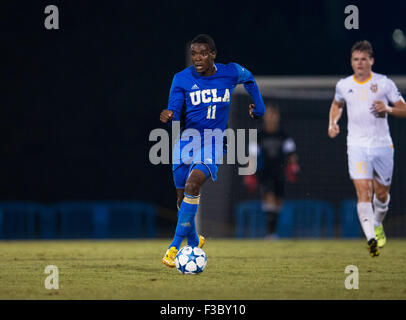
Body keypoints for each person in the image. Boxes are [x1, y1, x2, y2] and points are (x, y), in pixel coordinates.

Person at [159, 34, 265, 267]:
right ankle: (195, 240)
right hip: (186, 142)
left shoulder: (231, 72)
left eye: (203, 53)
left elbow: (250, 81)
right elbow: (175, 107)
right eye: (194, 54)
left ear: (213, 55)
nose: (197, 58)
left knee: (193, 183)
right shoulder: (181, 78)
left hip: (214, 141)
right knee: (181, 199)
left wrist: (260, 108)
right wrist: (169, 114)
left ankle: (174, 247)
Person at [328, 40, 406, 257]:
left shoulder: (384, 84)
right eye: (355, 59)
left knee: (381, 196)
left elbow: (404, 110)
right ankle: (371, 238)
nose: (359, 63)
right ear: (351, 62)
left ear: (371, 61)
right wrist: (333, 123)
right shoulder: (343, 85)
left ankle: (378, 223)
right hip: (357, 145)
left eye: (363, 59)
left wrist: (388, 108)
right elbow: (337, 104)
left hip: (382, 145)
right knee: (364, 192)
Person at [244, 104, 299, 238]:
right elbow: (251, 155)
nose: (271, 118)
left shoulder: (284, 136)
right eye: (268, 115)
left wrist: (294, 167)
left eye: (273, 115)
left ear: (277, 117)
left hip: (280, 171)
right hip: (264, 171)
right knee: (268, 198)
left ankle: (273, 230)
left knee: (278, 201)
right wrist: (249, 173)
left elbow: (292, 154)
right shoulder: (259, 135)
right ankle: (270, 233)